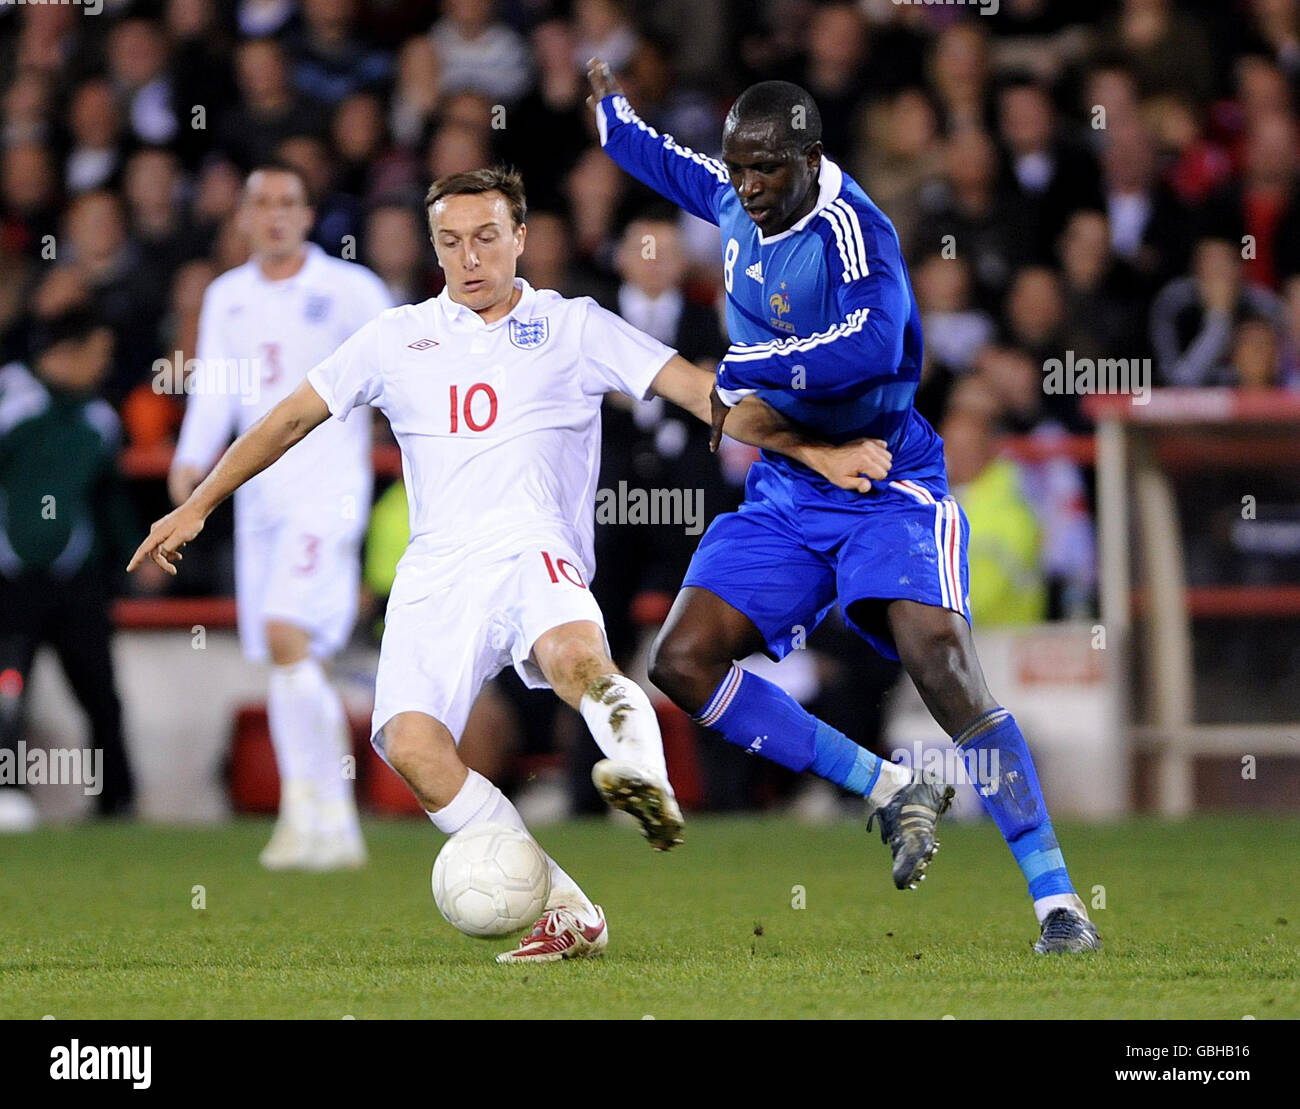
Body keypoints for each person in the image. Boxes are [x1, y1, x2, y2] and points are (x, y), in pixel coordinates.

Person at [129, 166, 889, 963]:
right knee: (411, 746)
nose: (470, 257)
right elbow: (289, 417)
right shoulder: (397, 336)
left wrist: (817, 449)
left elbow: (700, 390)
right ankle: (568, 905)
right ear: (434, 248)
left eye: (487, 237)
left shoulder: (576, 325)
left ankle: (642, 774)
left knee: (575, 658)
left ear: (520, 238)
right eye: (451, 242)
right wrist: (199, 502)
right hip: (437, 570)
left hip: (534, 544)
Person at [589, 60, 1101, 954]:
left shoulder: (855, 230)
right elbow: (657, 159)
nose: (747, 187)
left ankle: (1058, 902)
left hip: (885, 484)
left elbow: (867, 344)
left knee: (941, 664)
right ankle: (889, 786)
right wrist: (608, 110)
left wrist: (745, 370)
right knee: (682, 662)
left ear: (811, 156)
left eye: (766, 171)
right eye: (738, 169)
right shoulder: (731, 195)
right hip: (789, 489)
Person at [169, 163, 392, 871]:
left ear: (308, 213)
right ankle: (311, 815)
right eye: (260, 203)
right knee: (284, 657)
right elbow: (216, 388)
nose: (273, 215)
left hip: (327, 494)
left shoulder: (351, 290)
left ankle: (330, 816)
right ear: (241, 216)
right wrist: (191, 459)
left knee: (287, 633)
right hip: (256, 501)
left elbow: (401, 374)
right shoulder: (225, 296)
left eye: (287, 202)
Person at [0, 309, 140, 828]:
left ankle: (117, 799)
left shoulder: (98, 420)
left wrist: (136, 553)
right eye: (99, 354)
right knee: (8, 686)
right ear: (69, 351)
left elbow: (110, 500)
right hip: (11, 575)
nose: (104, 366)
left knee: (100, 689)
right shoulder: (12, 400)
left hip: (76, 575)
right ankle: (7, 794)